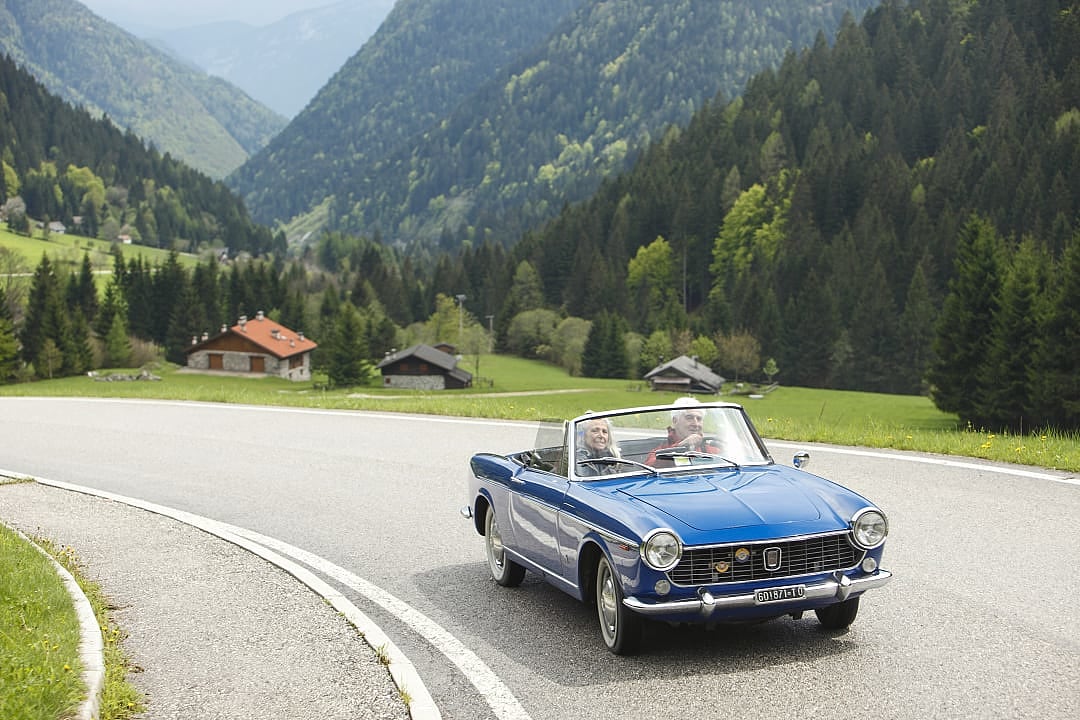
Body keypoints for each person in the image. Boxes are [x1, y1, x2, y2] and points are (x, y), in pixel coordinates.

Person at [645, 397, 722, 467]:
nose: (696, 424)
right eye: (689, 418)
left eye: (699, 419)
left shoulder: (711, 449)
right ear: (675, 421)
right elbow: (651, 469)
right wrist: (681, 447)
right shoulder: (660, 450)